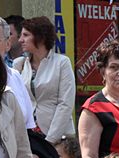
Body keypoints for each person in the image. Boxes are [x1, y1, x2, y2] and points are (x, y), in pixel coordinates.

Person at [14, 16, 75, 144]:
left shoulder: (61, 63)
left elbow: (65, 104)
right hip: (29, 135)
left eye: (25, 35)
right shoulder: (19, 64)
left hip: (59, 137)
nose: (20, 40)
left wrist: (51, 139)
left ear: (40, 37)